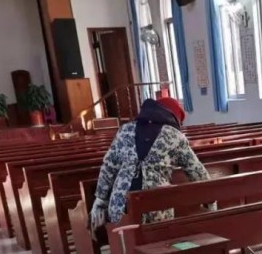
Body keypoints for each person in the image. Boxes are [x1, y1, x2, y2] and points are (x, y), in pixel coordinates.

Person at [89, 97, 210, 235]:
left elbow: (108, 167)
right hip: (157, 206)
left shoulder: (124, 131)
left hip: (120, 204)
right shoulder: (175, 136)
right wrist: (210, 200)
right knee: (156, 246)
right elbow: (197, 172)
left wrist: (100, 199)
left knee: (124, 247)